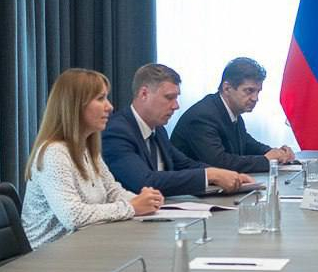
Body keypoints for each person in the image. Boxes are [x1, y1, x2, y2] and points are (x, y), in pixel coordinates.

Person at [21, 69, 163, 248]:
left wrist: (146, 200)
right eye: (100, 98)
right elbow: (73, 216)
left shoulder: (88, 150)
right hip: (49, 256)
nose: (109, 107)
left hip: (81, 247)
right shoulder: (54, 152)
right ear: (75, 105)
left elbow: (113, 192)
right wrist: (132, 207)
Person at [102, 63, 254, 197]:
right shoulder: (117, 132)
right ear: (144, 94)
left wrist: (226, 175)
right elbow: (144, 182)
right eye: (169, 98)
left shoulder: (158, 130)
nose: (176, 106)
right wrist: (210, 175)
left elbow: (185, 164)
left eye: (177, 98)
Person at [171, 57, 295, 173]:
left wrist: (277, 153)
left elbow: (247, 144)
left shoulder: (232, 111)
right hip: (187, 188)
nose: (255, 98)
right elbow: (218, 162)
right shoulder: (203, 116)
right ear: (227, 88)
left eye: (258, 91)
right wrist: (266, 160)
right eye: (249, 91)